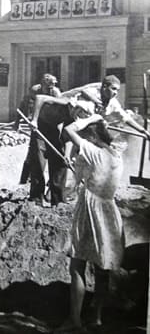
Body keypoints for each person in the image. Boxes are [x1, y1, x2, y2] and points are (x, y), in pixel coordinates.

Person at [59, 114, 126, 331]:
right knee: (102, 267)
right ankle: (96, 317)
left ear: (93, 135)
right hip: (109, 210)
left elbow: (69, 130)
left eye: (88, 135)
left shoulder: (93, 151)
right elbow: (92, 175)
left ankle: (75, 321)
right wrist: (79, 167)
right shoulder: (117, 156)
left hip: (90, 210)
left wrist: (90, 117)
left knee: (77, 263)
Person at [26, 94, 93, 206]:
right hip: (39, 128)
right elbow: (39, 98)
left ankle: (58, 200)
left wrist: (66, 155)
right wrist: (34, 120)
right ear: (76, 108)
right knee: (38, 161)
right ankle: (36, 199)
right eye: (80, 114)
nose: (78, 118)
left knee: (60, 163)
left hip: (53, 131)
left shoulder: (72, 117)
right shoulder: (63, 102)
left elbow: (68, 137)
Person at [17, 74, 62, 193]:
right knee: (34, 155)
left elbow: (60, 110)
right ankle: (28, 184)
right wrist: (17, 121)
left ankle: (53, 191)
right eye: (49, 86)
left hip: (52, 125)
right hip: (37, 125)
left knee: (55, 158)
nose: (51, 88)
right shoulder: (34, 90)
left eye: (53, 85)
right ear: (43, 84)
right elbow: (24, 103)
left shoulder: (56, 92)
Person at [71, 75, 150, 139]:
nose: (115, 93)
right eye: (113, 89)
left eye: (117, 90)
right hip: (73, 124)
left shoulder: (113, 102)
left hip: (89, 129)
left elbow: (126, 118)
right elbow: (83, 93)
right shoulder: (93, 92)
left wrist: (143, 131)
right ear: (104, 87)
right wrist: (96, 101)